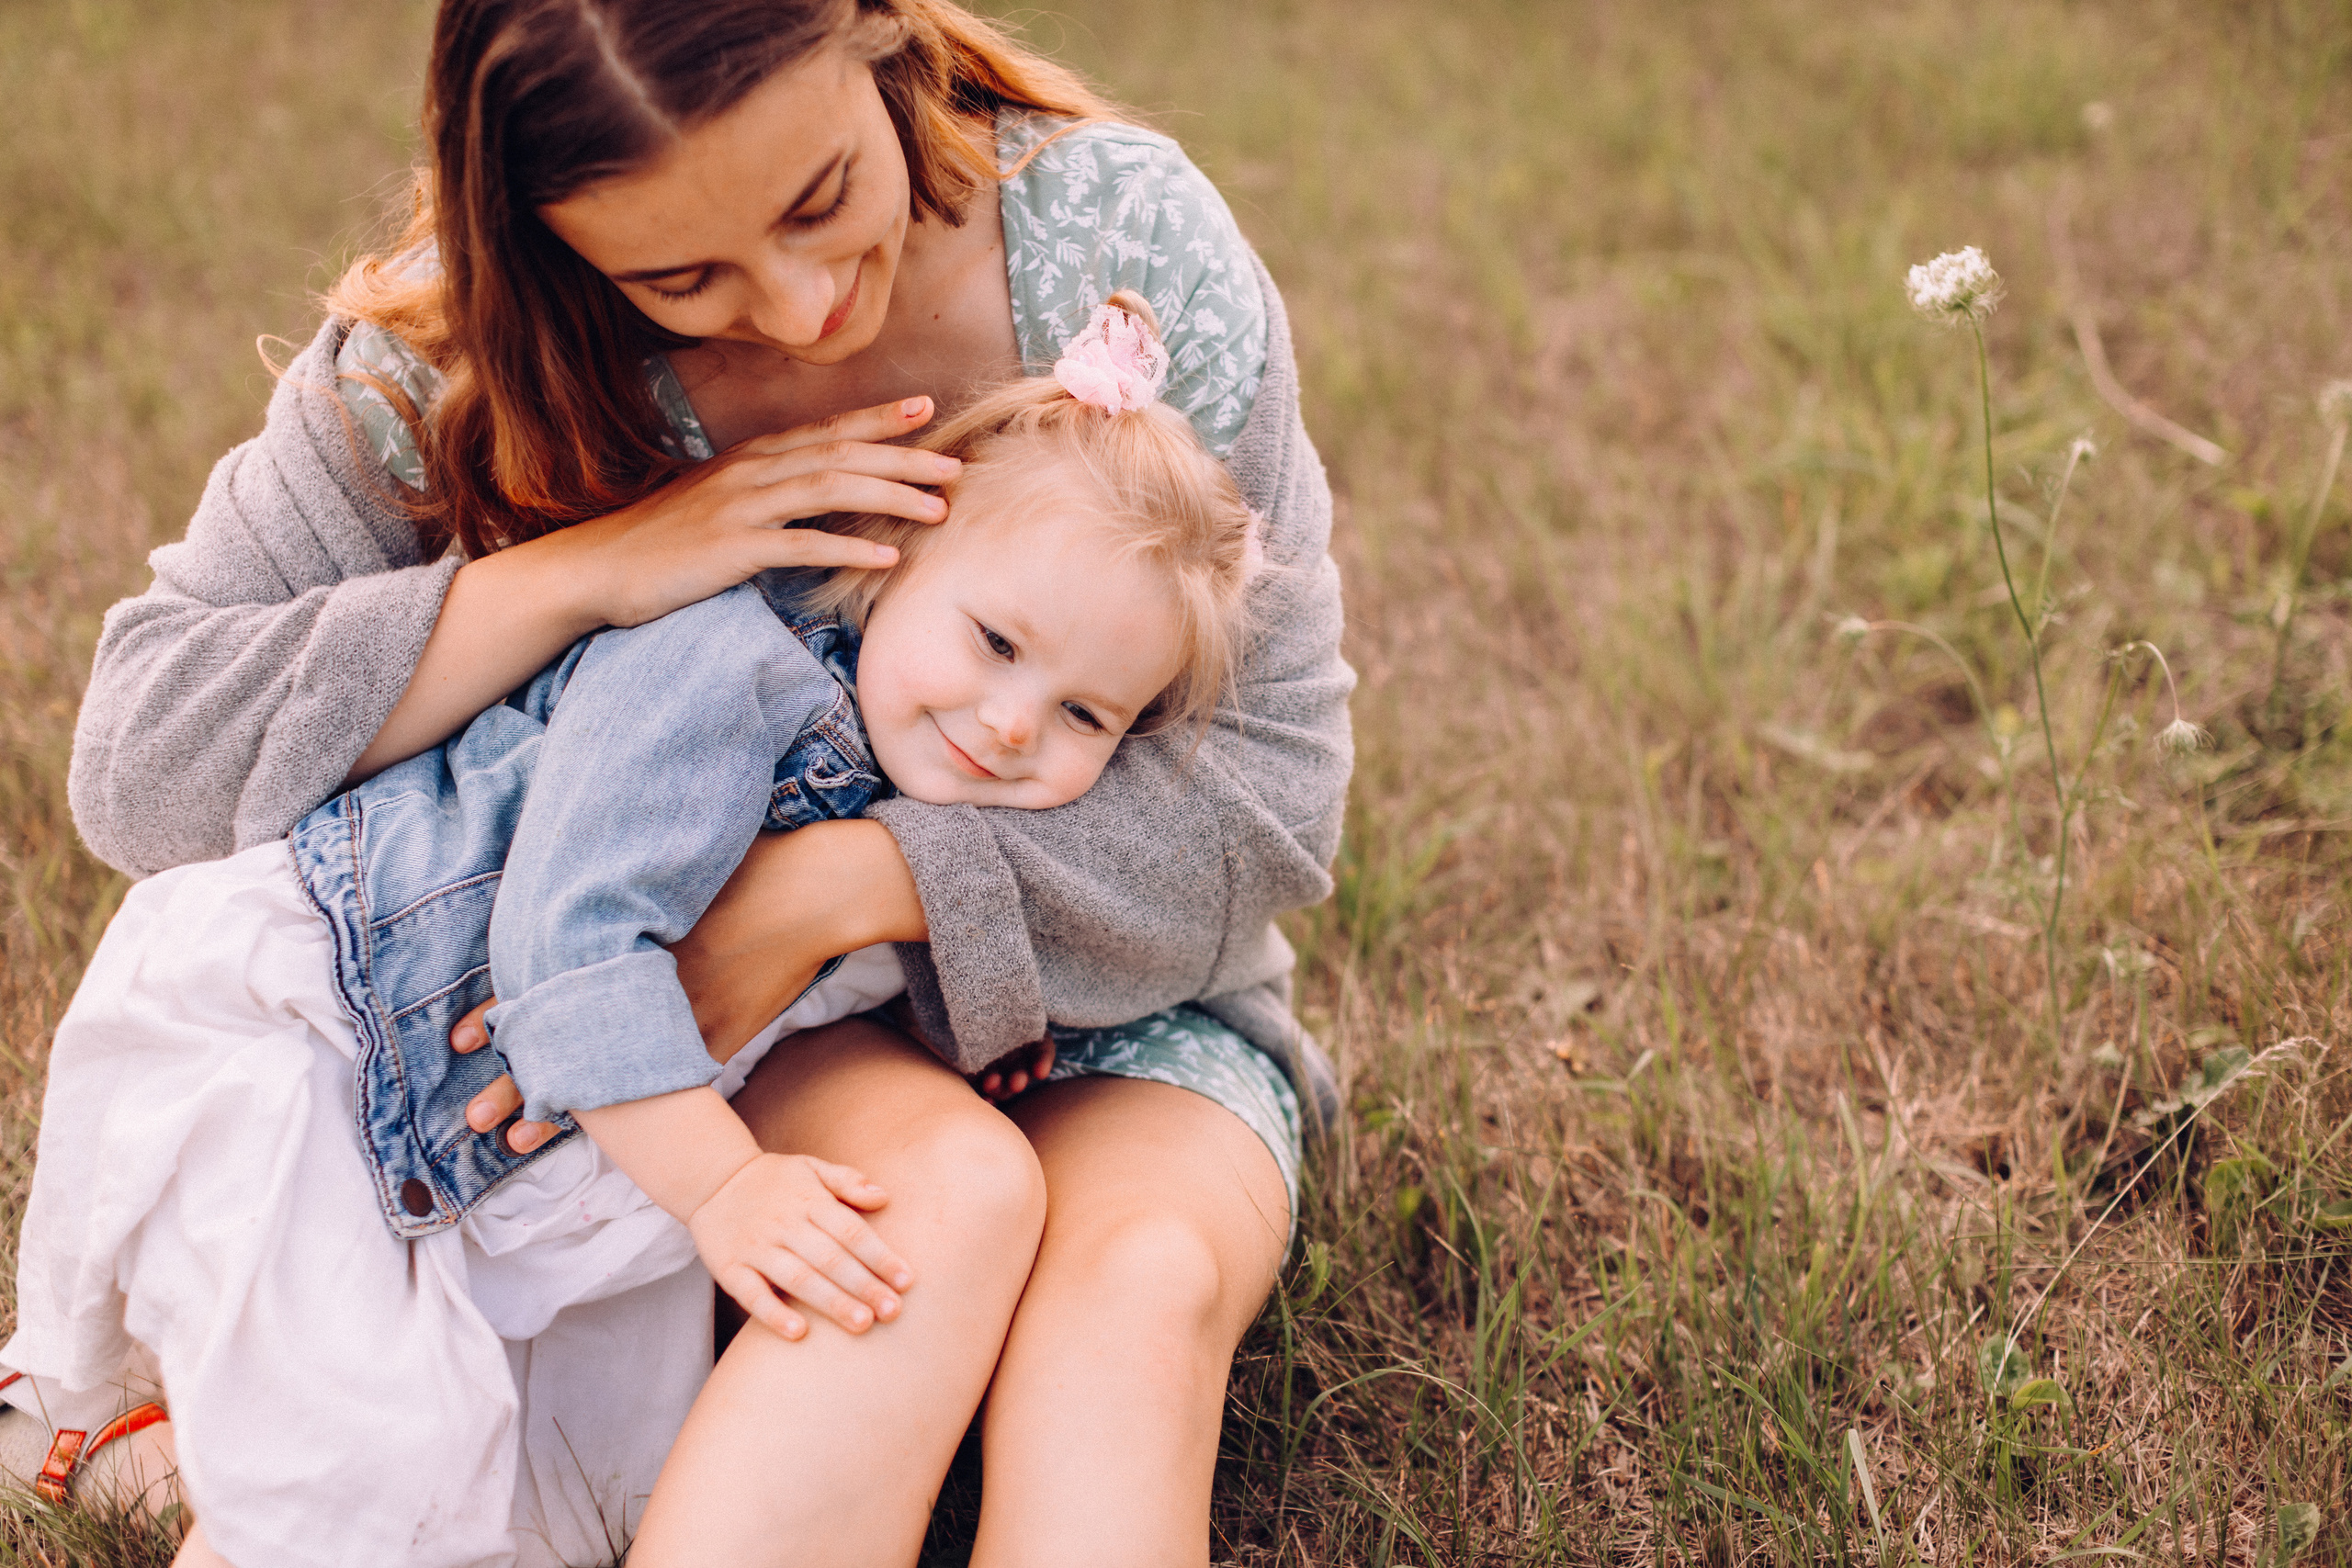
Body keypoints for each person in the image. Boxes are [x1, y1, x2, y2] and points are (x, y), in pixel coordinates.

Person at [20, 1, 1352, 1562]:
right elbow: (143, 757)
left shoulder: (1111, 246)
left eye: (819, 201)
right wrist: (593, 574)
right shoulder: (459, 360)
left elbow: (1271, 795)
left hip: (1115, 988)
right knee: (915, 1223)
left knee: (1133, 1291)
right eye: (680, 277)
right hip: (710, 1062)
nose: (798, 312)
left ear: (872, 32)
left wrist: (839, 886)